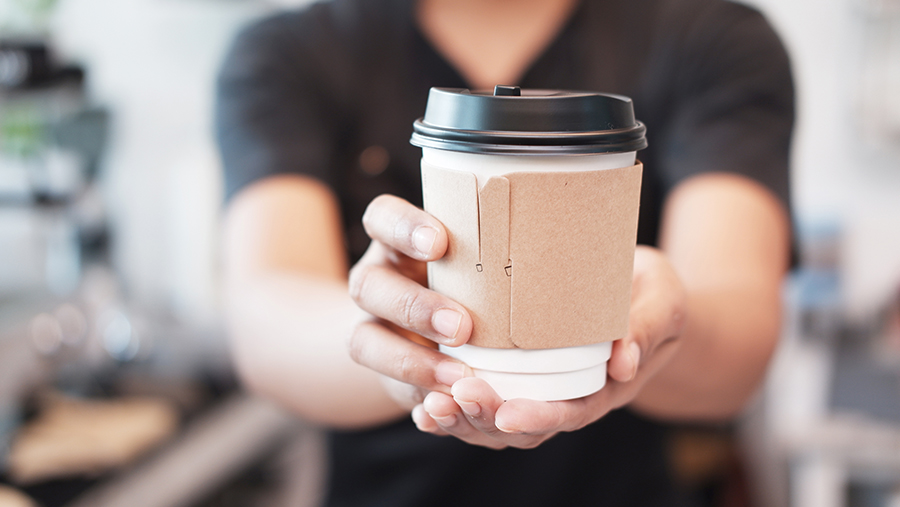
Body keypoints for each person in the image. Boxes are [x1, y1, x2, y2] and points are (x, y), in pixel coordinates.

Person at [215, 0, 793, 505]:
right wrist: (400, 344)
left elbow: (742, 332)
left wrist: (647, 327)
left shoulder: (709, 38)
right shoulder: (291, 52)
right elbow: (266, 318)